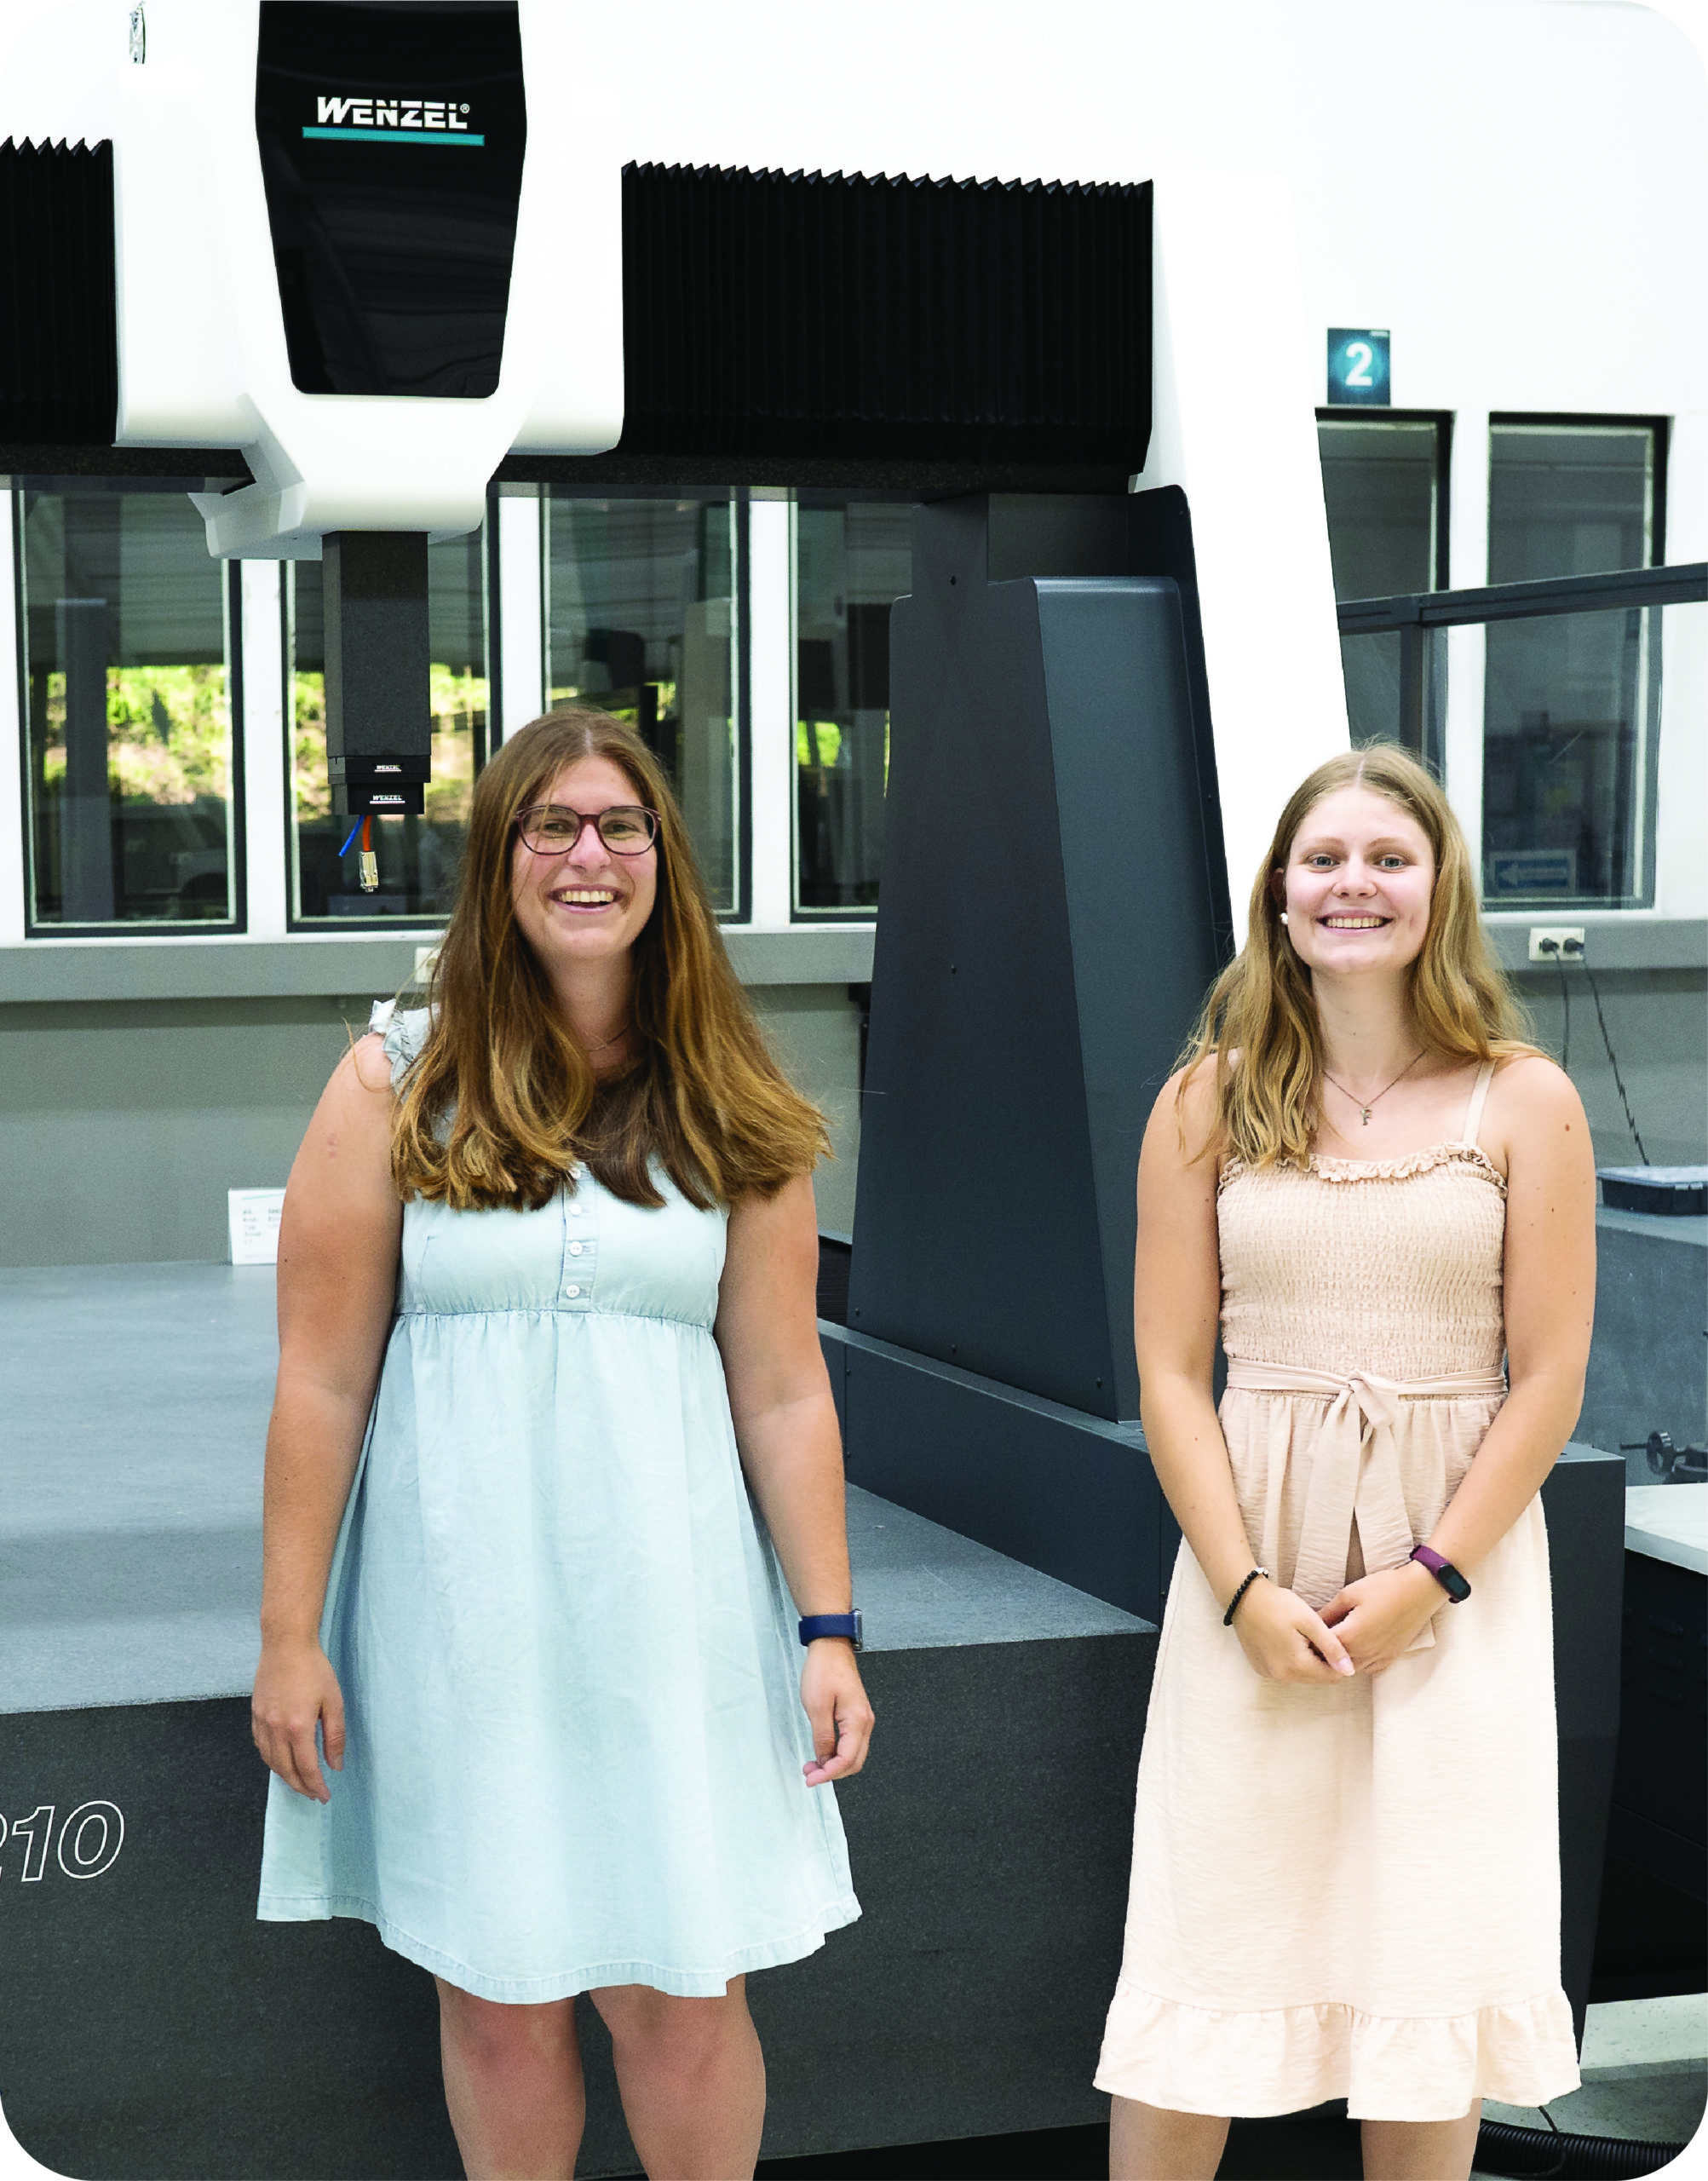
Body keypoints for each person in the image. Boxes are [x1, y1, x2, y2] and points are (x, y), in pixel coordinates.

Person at [251, 709, 872, 2181]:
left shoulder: (736, 1110)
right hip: (459, 1610)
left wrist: (830, 1626)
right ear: (499, 864)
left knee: (683, 1995)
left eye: (620, 828)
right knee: (499, 1995)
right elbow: (320, 1380)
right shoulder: (391, 1083)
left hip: (672, 1613)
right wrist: (289, 1635)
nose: (586, 856)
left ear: (663, 862)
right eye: (551, 827)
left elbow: (785, 1392)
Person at [1096, 744, 1594, 2181]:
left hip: (1460, 1582)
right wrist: (1246, 1587)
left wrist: (1433, 1577)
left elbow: (1549, 1377)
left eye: (1389, 858)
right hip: (1256, 1567)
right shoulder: (1208, 1098)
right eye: (1326, 860)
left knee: (1429, 1958)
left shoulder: (1525, 1099)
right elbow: (1176, 1375)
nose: (1354, 885)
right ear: (1281, 894)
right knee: (1210, 1942)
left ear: (1439, 892)